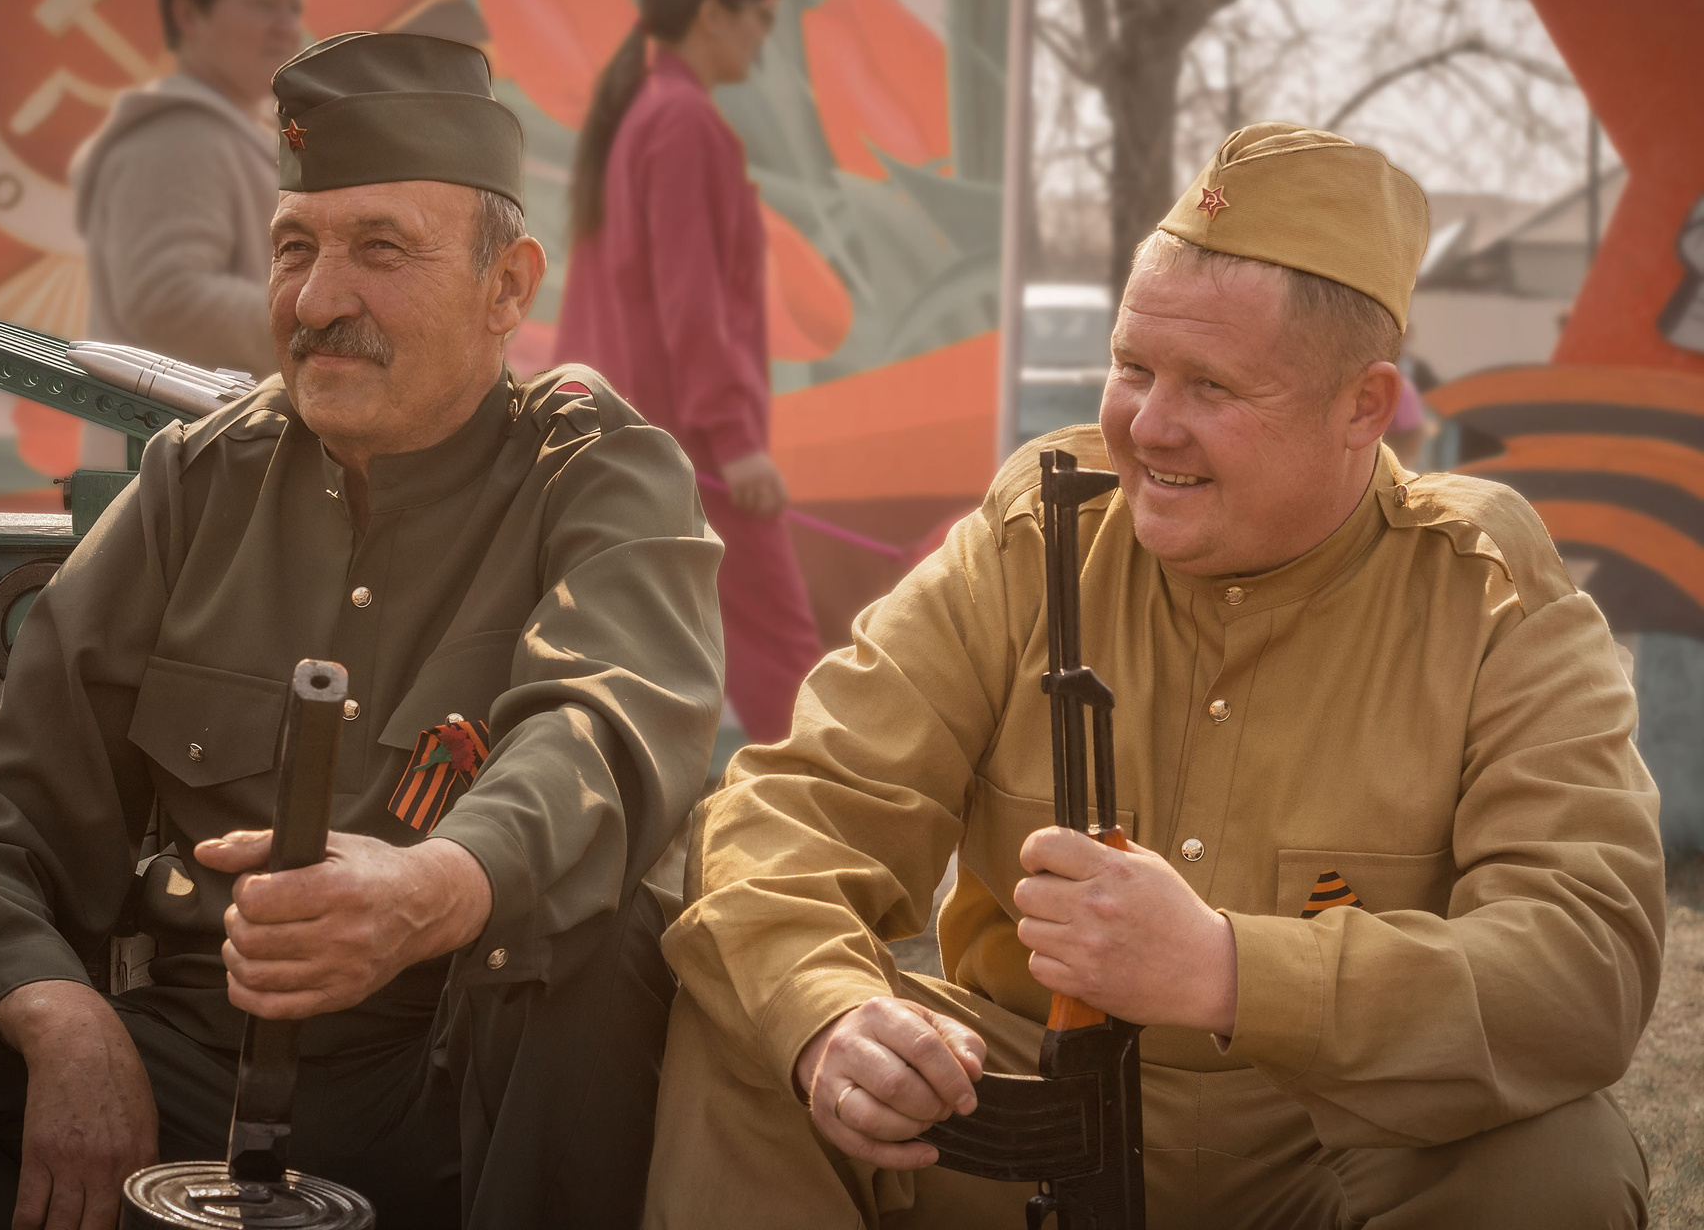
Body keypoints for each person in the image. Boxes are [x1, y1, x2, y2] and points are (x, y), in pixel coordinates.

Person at [0, 32, 724, 1230]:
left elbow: (602, 726)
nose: (318, 302)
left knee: (591, 936)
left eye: (380, 248)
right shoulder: (198, 480)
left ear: (508, 286)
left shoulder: (594, 470)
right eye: (293, 249)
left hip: (460, 1083)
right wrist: (55, 1014)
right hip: (189, 1074)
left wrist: (432, 886)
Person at [644, 124, 1663, 1229]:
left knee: (1558, 1163)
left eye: (1212, 385)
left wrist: (1229, 970)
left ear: (1364, 407)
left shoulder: (1487, 593)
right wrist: (830, 1017)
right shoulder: (1040, 534)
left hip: (1335, 1137)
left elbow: (1583, 960)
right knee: (756, 1023)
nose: (1147, 425)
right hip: (1024, 1104)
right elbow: (793, 812)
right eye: (1132, 366)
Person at [555, 0, 823, 746]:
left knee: (637, 658)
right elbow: (692, 304)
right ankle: (825, 820)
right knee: (785, 664)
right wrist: (737, 443)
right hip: (693, 457)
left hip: (637, 447)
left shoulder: (644, 111)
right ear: (712, 13)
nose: (765, 37)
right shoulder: (684, 122)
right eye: (760, 17)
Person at [71, 0, 302, 383]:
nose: (288, 28)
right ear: (190, 15)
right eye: (264, 5)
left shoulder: (220, 131)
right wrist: (313, 319)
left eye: (293, 8)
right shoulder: (178, 136)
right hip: (178, 422)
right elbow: (166, 299)